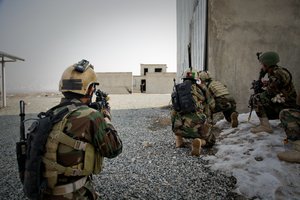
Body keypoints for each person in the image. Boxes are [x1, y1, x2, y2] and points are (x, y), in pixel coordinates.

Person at [42, 59, 122, 199]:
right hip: (73, 194)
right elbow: (114, 149)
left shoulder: (51, 114)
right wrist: (106, 119)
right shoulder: (91, 117)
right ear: (90, 89)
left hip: (44, 192)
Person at [171, 68, 216, 156]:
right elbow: (211, 106)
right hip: (197, 128)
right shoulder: (202, 89)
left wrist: (175, 128)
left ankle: (179, 141)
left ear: (183, 77)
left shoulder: (177, 89)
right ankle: (200, 142)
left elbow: (173, 111)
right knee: (211, 140)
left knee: (176, 114)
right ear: (196, 78)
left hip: (179, 128)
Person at [250, 51, 298, 133]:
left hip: (287, 105)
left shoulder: (277, 73)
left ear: (267, 64)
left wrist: (260, 89)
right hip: (287, 103)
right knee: (259, 97)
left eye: (262, 64)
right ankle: (282, 120)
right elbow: (278, 87)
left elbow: (270, 92)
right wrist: (267, 84)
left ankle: (265, 126)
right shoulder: (277, 72)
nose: (261, 66)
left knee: (256, 98)